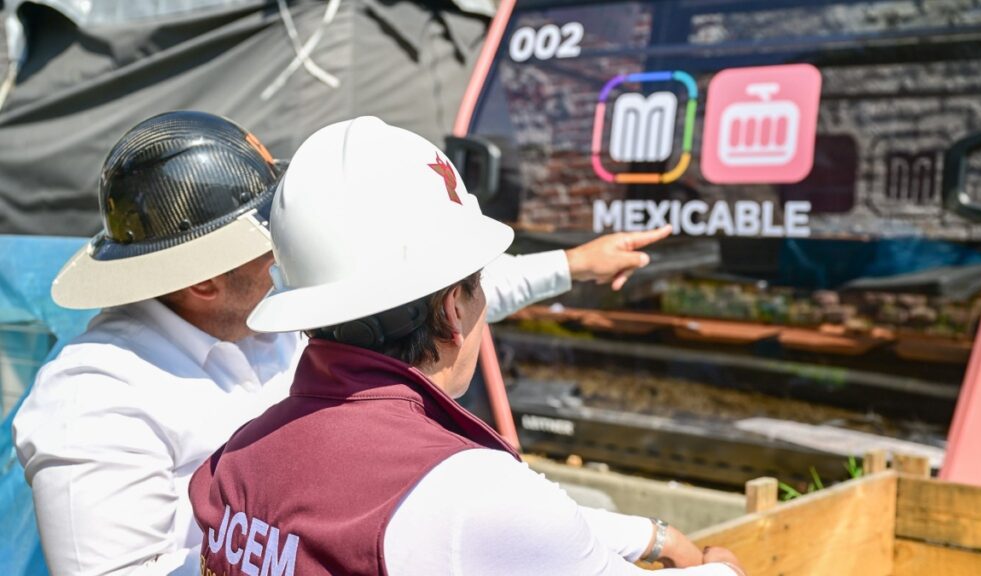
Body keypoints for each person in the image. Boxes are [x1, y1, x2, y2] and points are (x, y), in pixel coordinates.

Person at [12, 111, 673, 575]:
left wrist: (571, 266)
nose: (292, 257)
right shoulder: (92, 396)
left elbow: (425, 302)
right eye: (272, 242)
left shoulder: (272, 317)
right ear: (205, 281)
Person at [189, 116, 745, 576]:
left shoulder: (239, 458)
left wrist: (651, 536)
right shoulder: (472, 492)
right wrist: (723, 566)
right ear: (455, 309)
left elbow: (513, 532)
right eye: (480, 286)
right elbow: (495, 521)